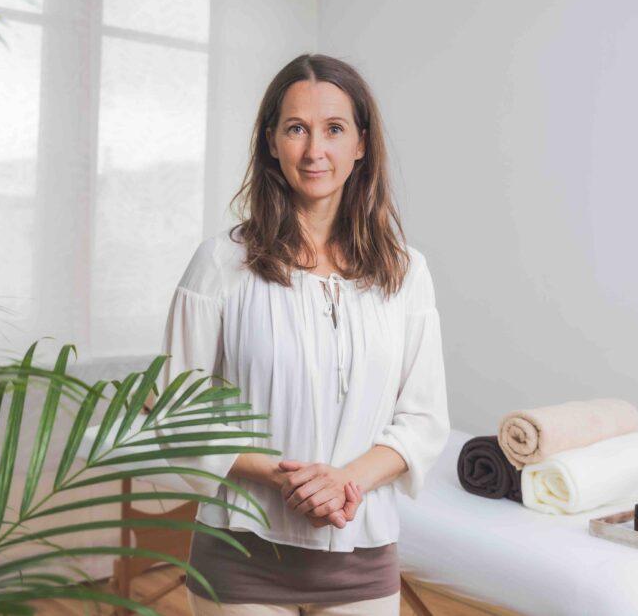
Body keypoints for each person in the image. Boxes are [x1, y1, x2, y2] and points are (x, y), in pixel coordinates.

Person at [162, 53, 450, 615]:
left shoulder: (406, 271)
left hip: (361, 554)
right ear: (271, 142)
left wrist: (345, 481)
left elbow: (423, 418)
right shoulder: (220, 263)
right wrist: (281, 476)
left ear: (361, 143)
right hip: (240, 553)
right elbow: (176, 410)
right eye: (296, 129)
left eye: (334, 129)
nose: (315, 150)